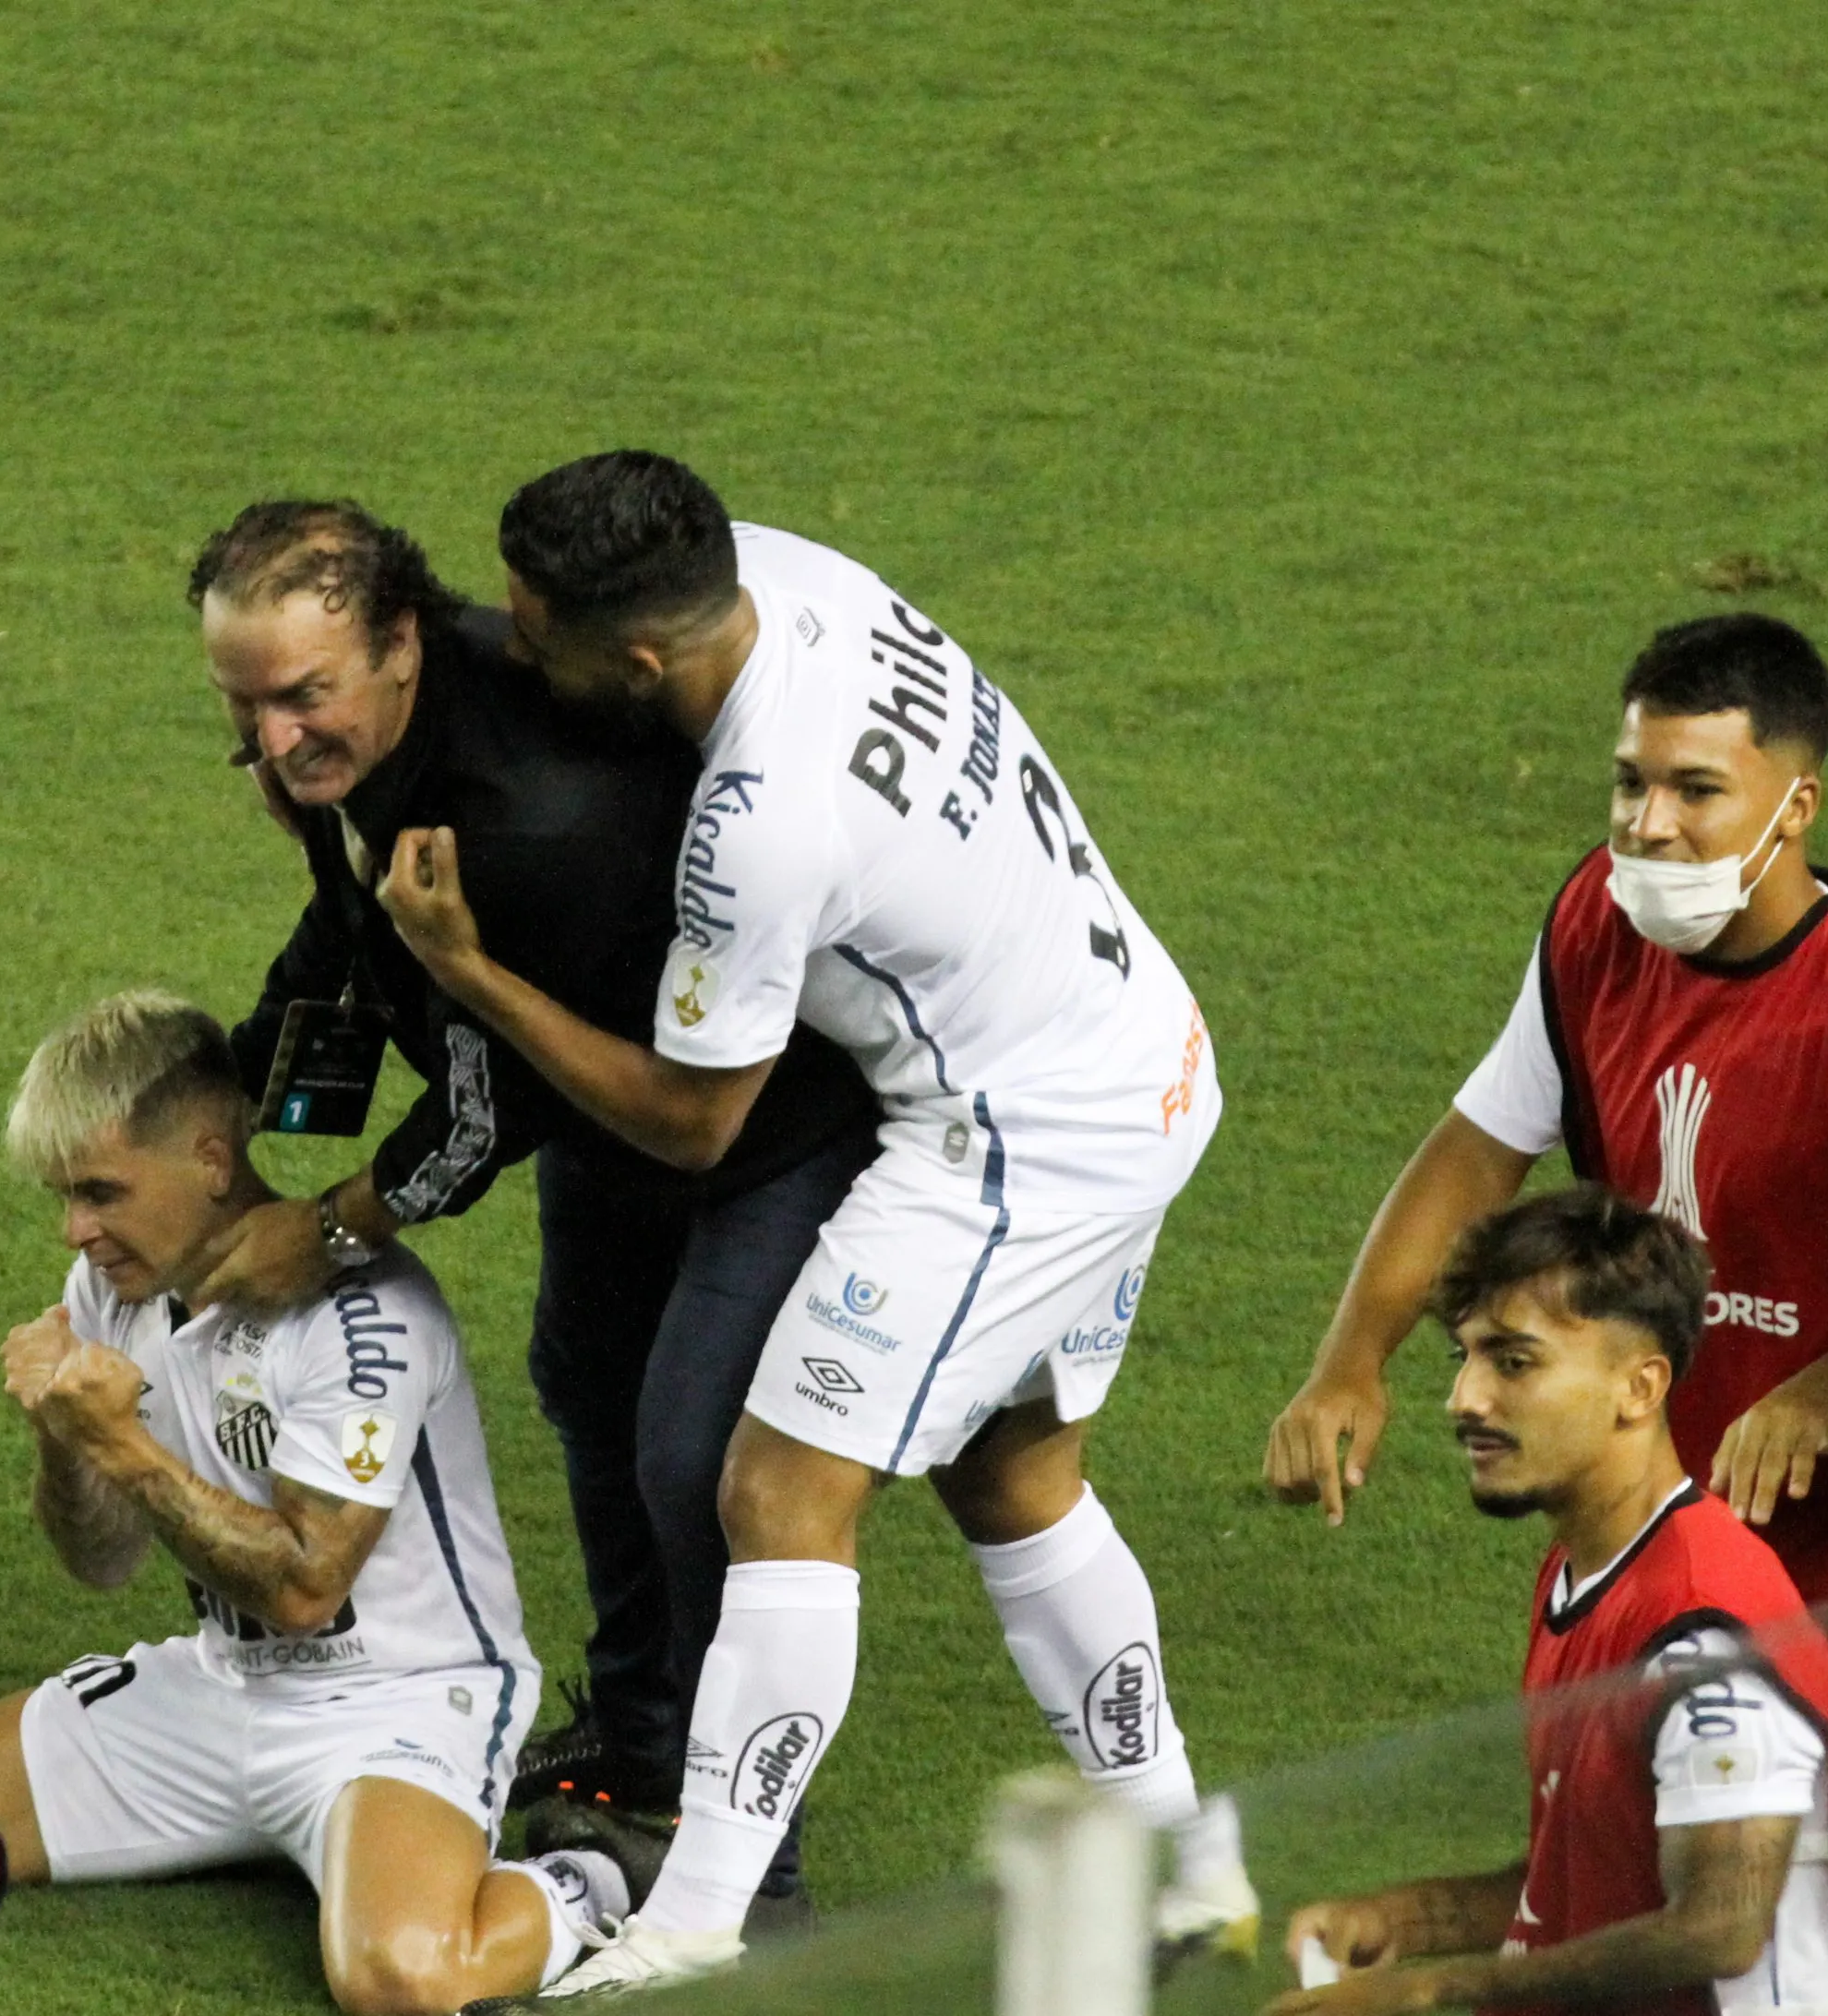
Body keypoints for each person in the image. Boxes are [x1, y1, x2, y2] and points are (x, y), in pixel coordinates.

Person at [374, 449, 1253, 1994]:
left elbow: (688, 1119)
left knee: (774, 1490)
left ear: (641, 664)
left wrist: (468, 971)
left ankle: (698, 1924)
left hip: (1016, 1137)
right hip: (1138, 1044)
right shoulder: (779, 567)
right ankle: (1192, 1859)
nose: (516, 655)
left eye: (540, 637)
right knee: (1015, 1478)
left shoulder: (759, 821)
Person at [1259, 615, 1828, 1998]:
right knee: (1796, 1874)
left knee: (1801, 1883)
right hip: (1669, 1503)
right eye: (1630, 782)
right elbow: (1476, 1145)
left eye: (1694, 790)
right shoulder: (1595, 927)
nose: (1648, 825)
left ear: (1797, 803)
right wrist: (1351, 1357)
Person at [187, 498, 881, 1896]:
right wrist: (230, 1087)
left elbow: (493, 1102)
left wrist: (328, 1230)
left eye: (303, 696)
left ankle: (751, 1869)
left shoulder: (528, 820)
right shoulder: (398, 728)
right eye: (241, 702)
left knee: (695, 1456)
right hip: (603, 1088)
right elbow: (363, 921)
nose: (270, 738)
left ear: (399, 644)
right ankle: (638, 1739)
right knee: (587, 1375)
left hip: (760, 1128)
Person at [0, 992, 630, 2016]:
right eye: (66, 1196)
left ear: (211, 1161)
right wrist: (63, 1431)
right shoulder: (113, 1292)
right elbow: (101, 1562)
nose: (75, 1231)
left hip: (396, 1701)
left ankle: (596, 1877)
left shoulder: (362, 1319)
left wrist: (121, 1444)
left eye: (100, 1193)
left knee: (403, 1977)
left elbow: (307, 1587)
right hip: (221, 1688)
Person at [1266, 1187, 1828, 2016]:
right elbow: (1590, 1877)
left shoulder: (1700, 1635)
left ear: (1639, 1388)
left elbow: (1719, 1926)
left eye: (1514, 1362)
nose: (1465, 1398)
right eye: (1464, 1357)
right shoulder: (1589, 1570)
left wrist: (1430, 1989)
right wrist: (1405, 1921)